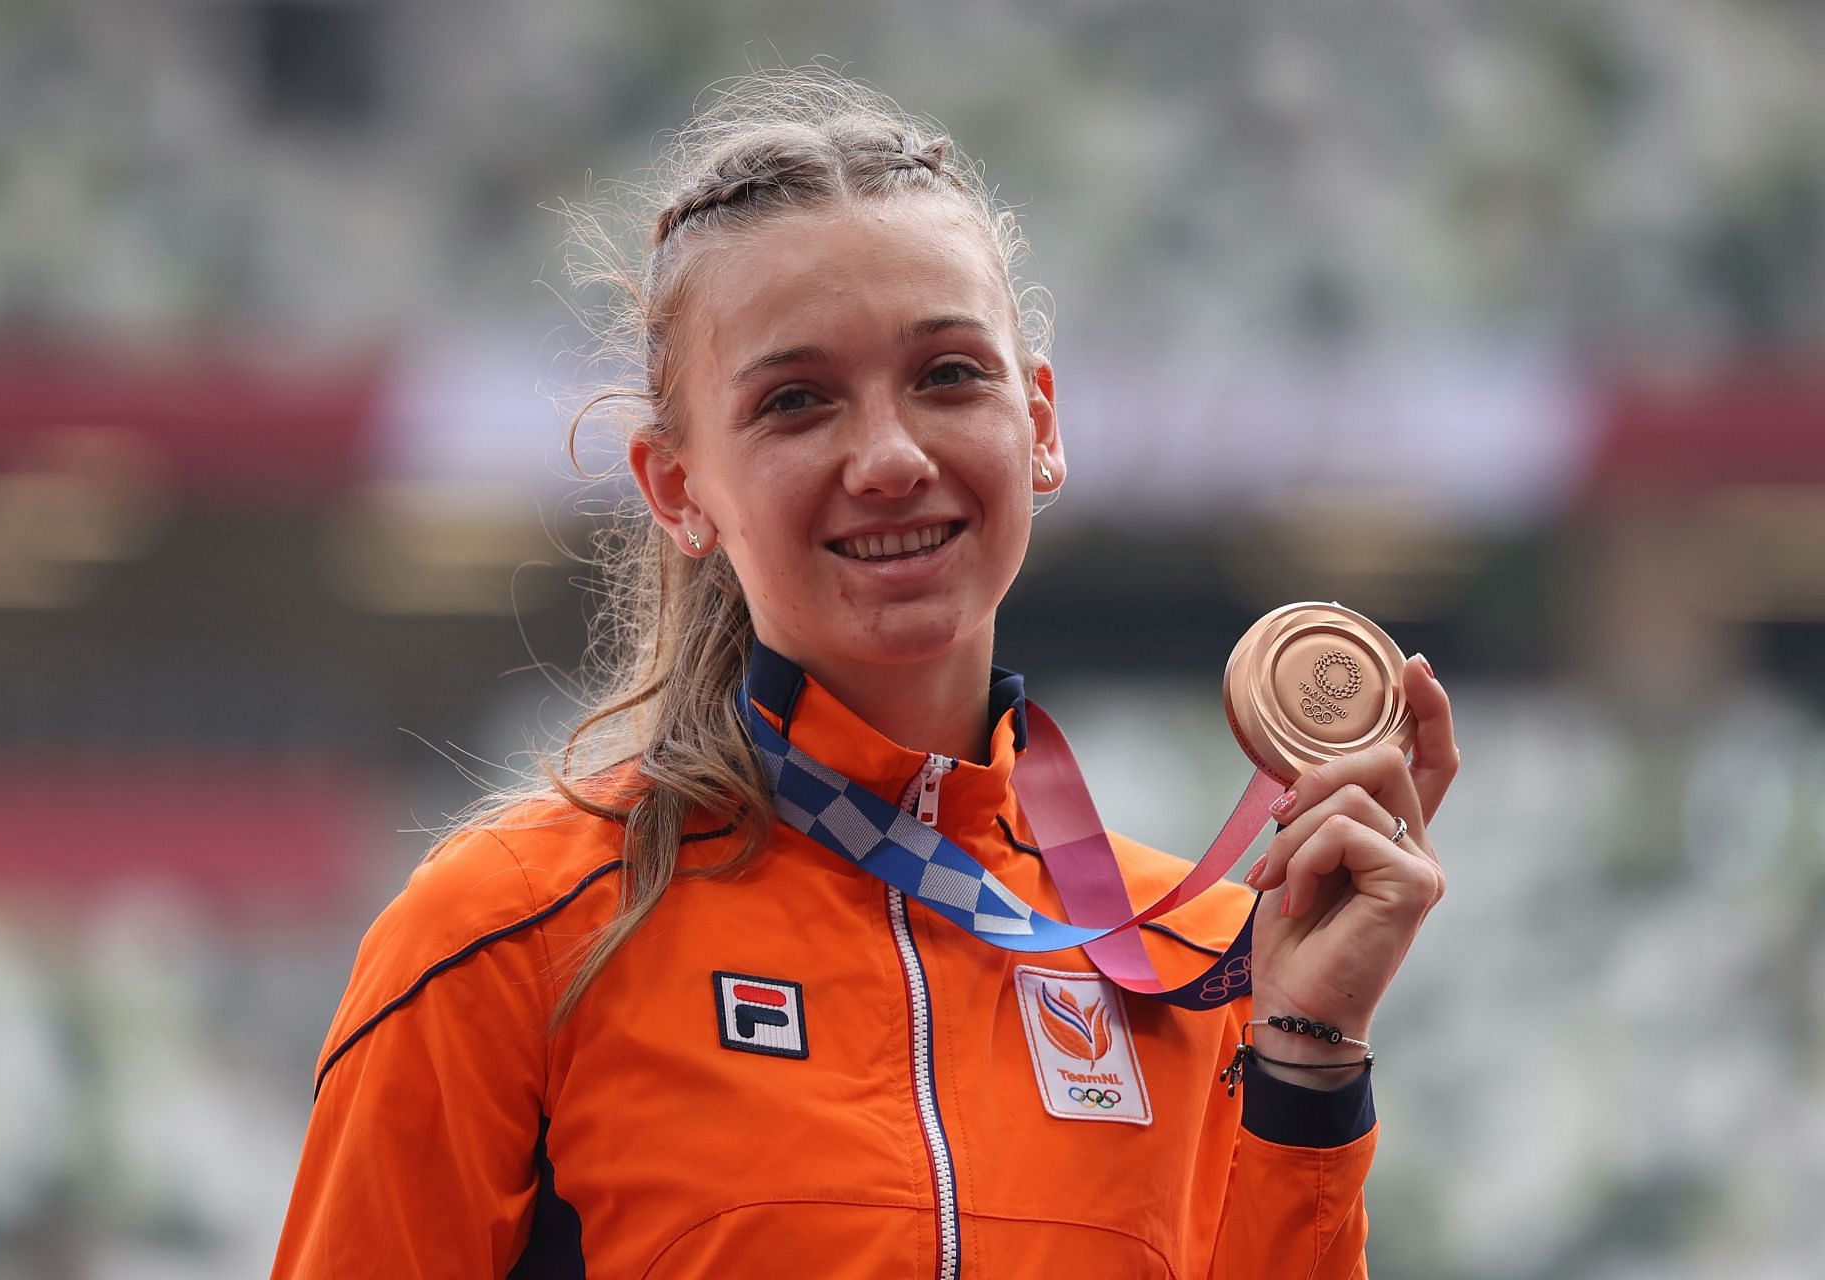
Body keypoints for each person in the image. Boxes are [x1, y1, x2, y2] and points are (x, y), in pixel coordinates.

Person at [272, 68, 1455, 1280]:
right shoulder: (509, 935)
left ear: (1040, 424)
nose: (889, 457)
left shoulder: (1201, 957)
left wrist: (1308, 1055)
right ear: (677, 487)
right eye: (796, 402)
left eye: (949, 375)